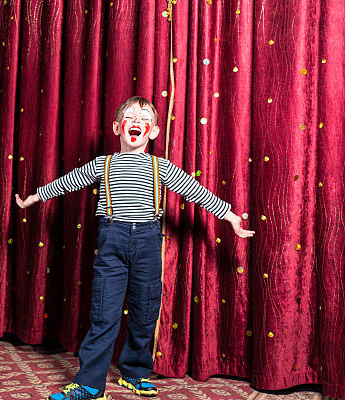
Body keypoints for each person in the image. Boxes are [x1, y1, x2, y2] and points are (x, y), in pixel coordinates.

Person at [15, 96, 254, 400]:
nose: (137, 122)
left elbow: (196, 191)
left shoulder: (161, 167)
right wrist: (34, 198)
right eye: (130, 117)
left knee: (145, 311)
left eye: (145, 119)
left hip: (147, 244)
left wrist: (230, 216)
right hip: (111, 243)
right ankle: (90, 385)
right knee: (104, 312)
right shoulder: (102, 164)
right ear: (117, 127)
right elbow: (67, 183)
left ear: (153, 131)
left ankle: (134, 372)